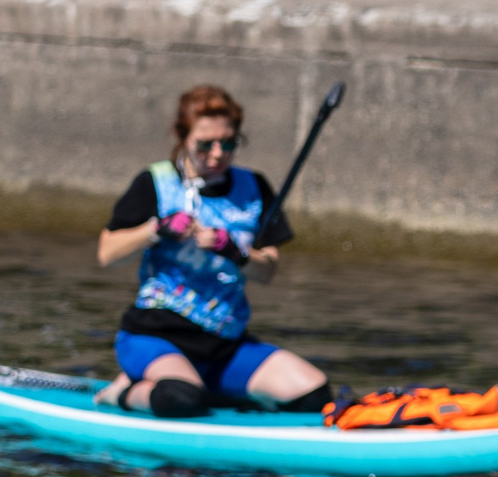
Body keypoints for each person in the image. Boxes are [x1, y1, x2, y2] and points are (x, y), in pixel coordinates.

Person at [93, 85, 329, 417]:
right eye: (205, 145)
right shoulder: (156, 182)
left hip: (224, 346)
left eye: (228, 143)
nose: (217, 154)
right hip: (155, 336)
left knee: (313, 395)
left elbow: (266, 271)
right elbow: (107, 254)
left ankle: (207, 388)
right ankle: (123, 392)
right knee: (182, 398)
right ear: (182, 137)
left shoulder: (254, 187)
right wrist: (156, 230)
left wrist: (234, 251)